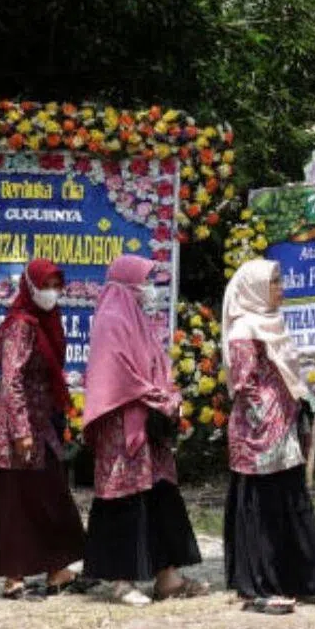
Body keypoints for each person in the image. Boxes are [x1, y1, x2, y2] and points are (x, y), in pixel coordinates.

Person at [81, 255, 205, 605]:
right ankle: (122, 582)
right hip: (122, 426)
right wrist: (157, 397)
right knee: (124, 498)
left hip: (149, 421)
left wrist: (169, 395)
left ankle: (168, 577)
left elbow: (156, 365)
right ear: (126, 283)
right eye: (143, 281)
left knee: (160, 494)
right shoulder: (111, 318)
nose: (148, 289)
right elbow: (117, 375)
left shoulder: (138, 319)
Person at [221, 259, 315, 610]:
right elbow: (245, 385)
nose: (281, 289)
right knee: (262, 506)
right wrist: (266, 427)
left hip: (282, 426)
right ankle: (261, 583)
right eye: (274, 283)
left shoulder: (272, 323)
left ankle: (298, 577)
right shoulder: (243, 329)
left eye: (280, 281)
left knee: (288, 499)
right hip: (258, 433)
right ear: (254, 288)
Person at [0, 258, 85, 599]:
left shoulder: (48, 321)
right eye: (45, 285)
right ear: (30, 286)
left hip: (42, 426)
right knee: (13, 501)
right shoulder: (22, 325)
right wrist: (21, 430)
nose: (52, 293)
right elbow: (11, 381)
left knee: (49, 495)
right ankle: (14, 577)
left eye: (57, 285)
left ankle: (56, 570)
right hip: (15, 427)